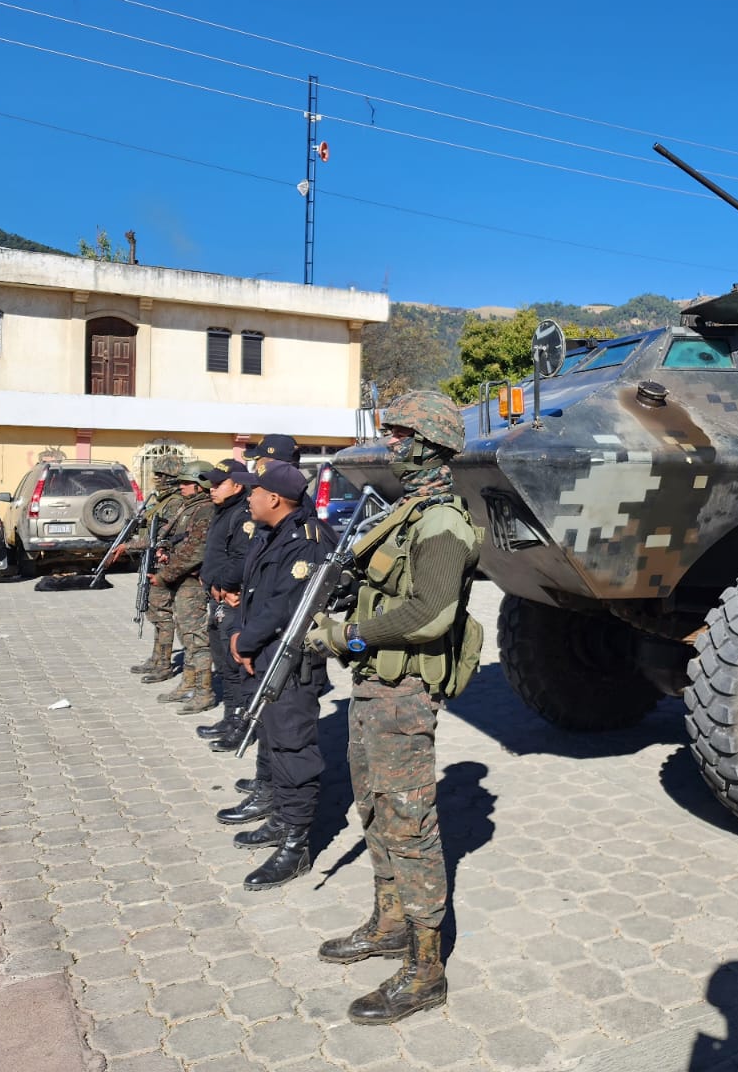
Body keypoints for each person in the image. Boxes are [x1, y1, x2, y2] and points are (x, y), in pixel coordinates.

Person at [307, 389, 481, 1025]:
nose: (392, 447)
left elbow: (430, 616)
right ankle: (388, 925)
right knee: (373, 806)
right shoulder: (407, 511)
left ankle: (426, 965)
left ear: (432, 444)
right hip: (375, 688)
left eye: (402, 435)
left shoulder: (441, 522)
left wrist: (346, 636)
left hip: (404, 694)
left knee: (409, 821)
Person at [213, 458, 335, 890]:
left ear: (275, 499)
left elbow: (286, 606)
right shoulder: (274, 531)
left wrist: (245, 642)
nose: (249, 497)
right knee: (275, 741)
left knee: (293, 747)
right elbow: (255, 591)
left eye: (255, 492)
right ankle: (281, 820)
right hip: (264, 653)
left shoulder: (308, 541)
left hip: (291, 660)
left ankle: (297, 844)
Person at [195, 458, 256, 752]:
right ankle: (229, 717)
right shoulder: (223, 510)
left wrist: (223, 584)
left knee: (235, 664)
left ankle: (242, 724)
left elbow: (241, 560)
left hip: (232, 598)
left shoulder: (243, 514)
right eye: (211, 483)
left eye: (219, 483)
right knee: (223, 663)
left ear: (238, 485)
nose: (212, 489)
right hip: (217, 595)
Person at [150, 461, 215, 714]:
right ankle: (188, 683)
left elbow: (194, 552)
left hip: (192, 582)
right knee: (186, 635)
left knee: (196, 638)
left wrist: (165, 575)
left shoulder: (205, 510)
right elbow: (180, 543)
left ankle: (204, 691)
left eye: (187, 483)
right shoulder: (191, 508)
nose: (182, 487)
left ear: (201, 485)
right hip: (182, 580)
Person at [117, 454, 184, 680]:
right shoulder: (161, 499)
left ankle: (164, 664)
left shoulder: (175, 502)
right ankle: (157, 658)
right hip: (151, 561)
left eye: (162, 475)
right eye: (156, 475)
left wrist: (128, 546)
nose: (157, 479)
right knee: (154, 613)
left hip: (164, 562)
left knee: (162, 616)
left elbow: (160, 536)